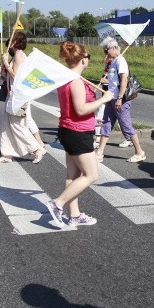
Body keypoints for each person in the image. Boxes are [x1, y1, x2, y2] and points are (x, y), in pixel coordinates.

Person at [45, 42, 114, 228]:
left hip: (68, 129)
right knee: (91, 175)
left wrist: (93, 119)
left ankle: (74, 215)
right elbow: (81, 109)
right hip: (77, 133)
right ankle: (57, 203)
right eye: (88, 57)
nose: (88, 60)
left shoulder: (66, 78)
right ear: (83, 59)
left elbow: (74, 110)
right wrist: (103, 100)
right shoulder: (75, 81)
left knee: (73, 175)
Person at [0, 32, 46, 164]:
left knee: (17, 126)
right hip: (13, 95)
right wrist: (3, 72)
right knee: (7, 125)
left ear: (16, 42)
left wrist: (6, 63)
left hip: (18, 96)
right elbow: (10, 78)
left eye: (12, 40)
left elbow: (16, 76)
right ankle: (7, 154)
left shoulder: (18, 55)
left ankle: (37, 148)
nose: (9, 42)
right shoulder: (18, 55)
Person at [95, 37, 146, 163]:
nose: (105, 54)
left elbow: (124, 80)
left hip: (120, 100)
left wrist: (119, 98)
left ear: (113, 48)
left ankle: (139, 152)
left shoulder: (120, 61)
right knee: (106, 125)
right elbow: (114, 81)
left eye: (106, 51)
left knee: (126, 126)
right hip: (111, 99)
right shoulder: (114, 61)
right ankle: (99, 153)